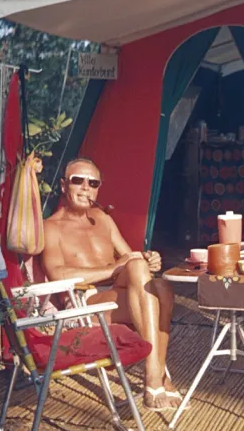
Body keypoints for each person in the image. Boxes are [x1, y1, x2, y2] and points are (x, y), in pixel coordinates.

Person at [41, 157, 182, 411]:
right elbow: (57, 274)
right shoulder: (51, 227)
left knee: (161, 286)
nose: (86, 188)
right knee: (152, 289)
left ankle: (155, 373)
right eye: (78, 181)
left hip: (118, 292)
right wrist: (113, 268)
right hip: (85, 300)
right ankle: (156, 376)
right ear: (63, 186)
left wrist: (149, 261)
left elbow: (131, 262)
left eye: (93, 183)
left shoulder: (103, 219)